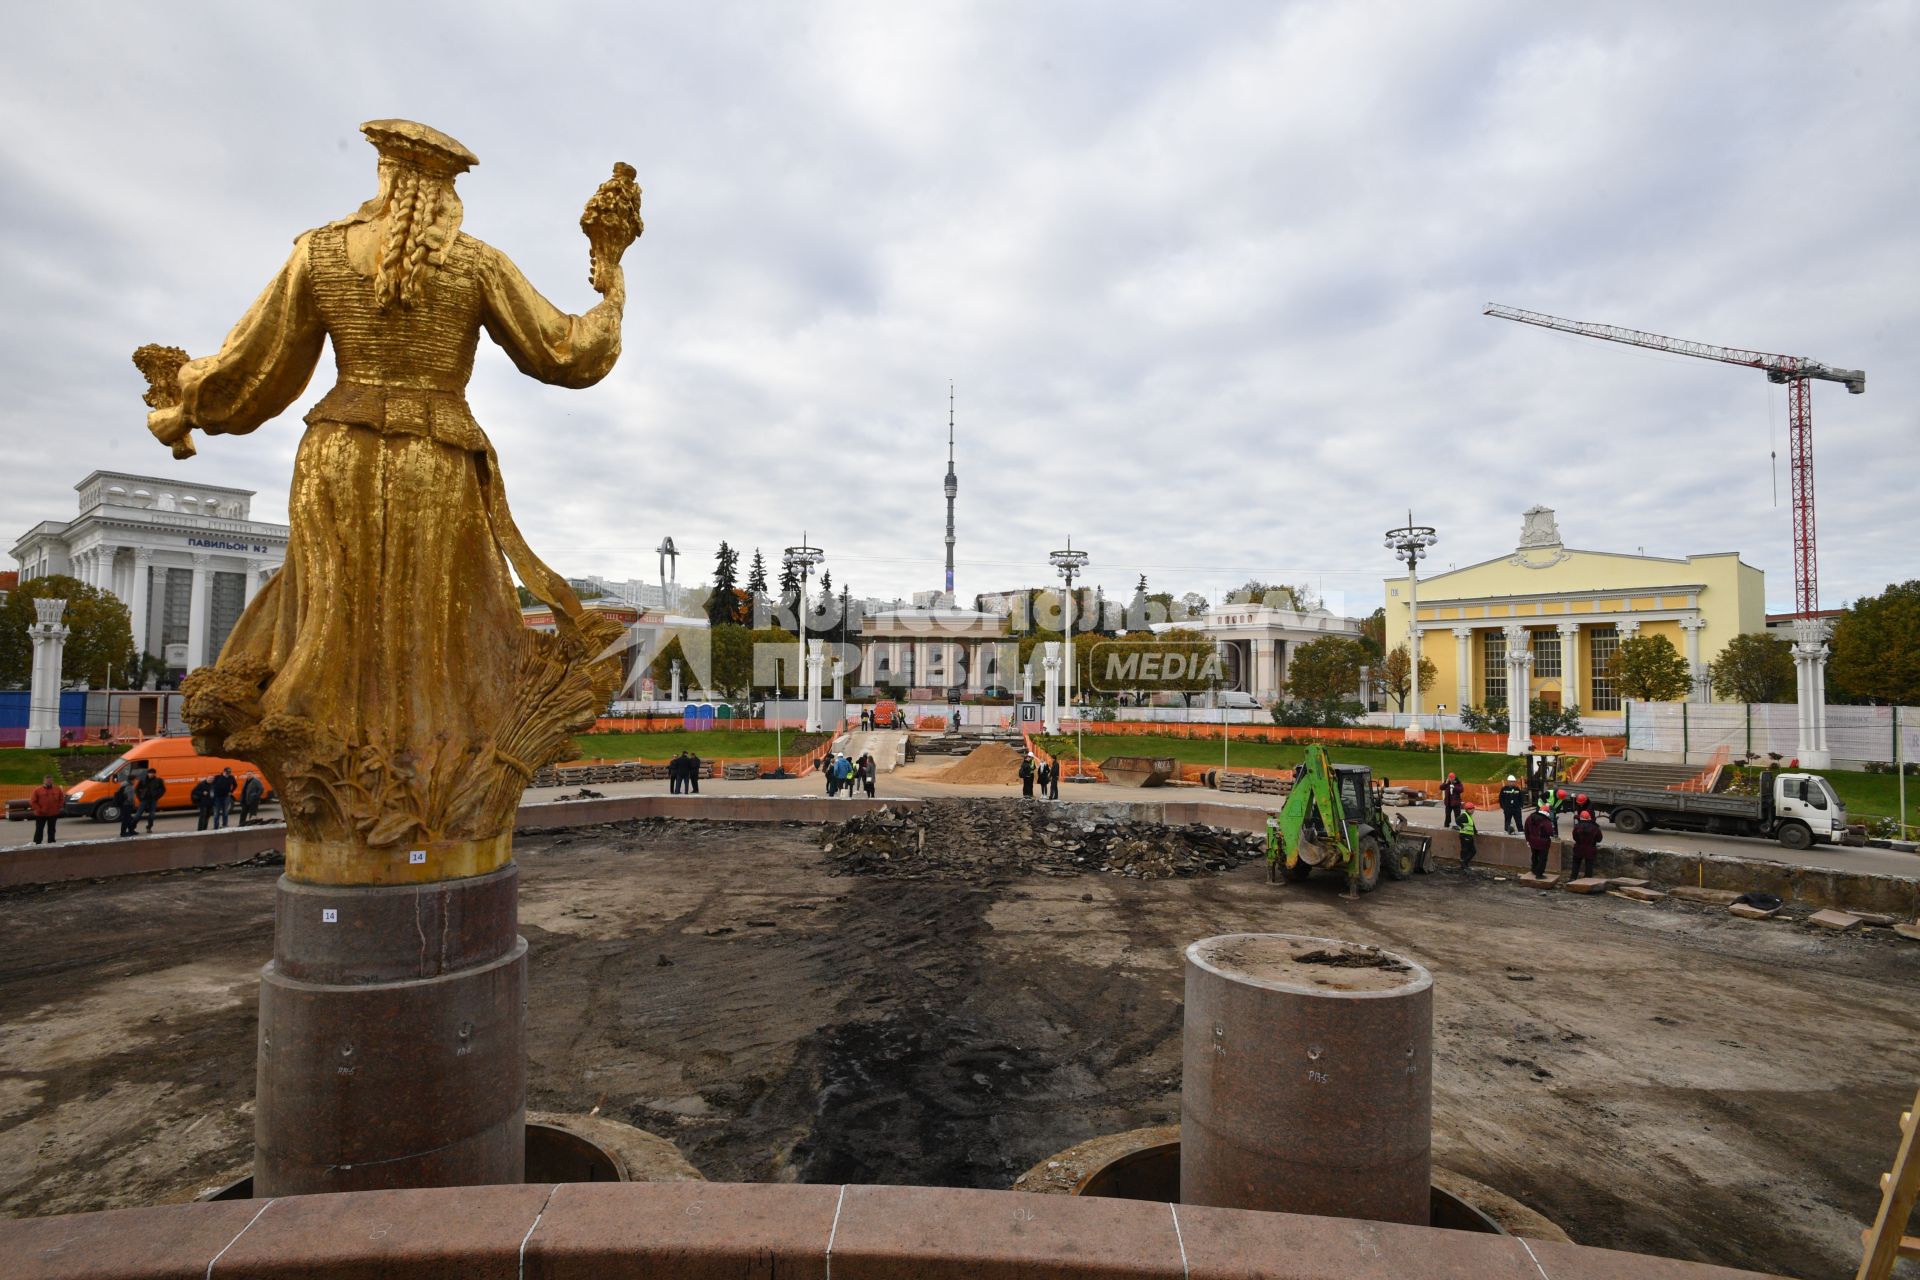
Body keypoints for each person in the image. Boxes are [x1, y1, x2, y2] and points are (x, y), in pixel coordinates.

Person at [1523, 801, 1557, 879]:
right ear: (1547, 812)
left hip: (1532, 841)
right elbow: (1550, 832)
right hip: (1543, 843)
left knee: (1534, 856)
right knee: (1542, 859)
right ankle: (1539, 874)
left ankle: (1534, 870)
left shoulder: (1530, 817)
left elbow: (1526, 829)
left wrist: (1527, 839)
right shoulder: (1546, 821)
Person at [29, 775, 64, 845]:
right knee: (39, 829)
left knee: (52, 829)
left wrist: (58, 807)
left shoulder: (57, 789)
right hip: (40, 814)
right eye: (47, 781)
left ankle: (51, 842)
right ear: (44, 781)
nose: (49, 782)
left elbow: (61, 799)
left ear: (52, 781)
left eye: (50, 780)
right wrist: (39, 810)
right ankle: (37, 842)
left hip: (53, 813)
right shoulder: (37, 790)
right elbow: (33, 801)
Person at [1570, 807, 1602, 880]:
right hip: (1590, 849)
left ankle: (1573, 878)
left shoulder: (1577, 827)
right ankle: (1587, 880)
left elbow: (1574, 837)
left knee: (1576, 863)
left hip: (1578, 848)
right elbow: (1599, 839)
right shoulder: (1595, 828)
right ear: (1589, 818)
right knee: (1589, 865)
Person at [137, 767, 167, 834]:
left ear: (154, 774)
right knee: (138, 815)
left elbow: (163, 790)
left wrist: (157, 796)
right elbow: (137, 790)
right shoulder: (143, 780)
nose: (151, 774)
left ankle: (149, 827)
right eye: (150, 773)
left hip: (153, 800)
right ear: (148, 773)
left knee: (152, 815)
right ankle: (132, 828)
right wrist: (140, 798)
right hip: (144, 799)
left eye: (153, 773)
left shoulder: (158, 780)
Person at [1457, 801, 1479, 870]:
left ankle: (1464, 863)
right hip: (1465, 835)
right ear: (1468, 809)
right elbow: (1457, 820)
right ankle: (1463, 864)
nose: (1473, 811)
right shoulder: (1464, 815)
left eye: (1473, 809)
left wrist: (1475, 832)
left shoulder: (1469, 816)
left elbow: (1472, 825)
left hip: (1469, 835)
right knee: (1465, 850)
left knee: (1472, 851)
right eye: (1472, 810)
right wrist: (1462, 826)